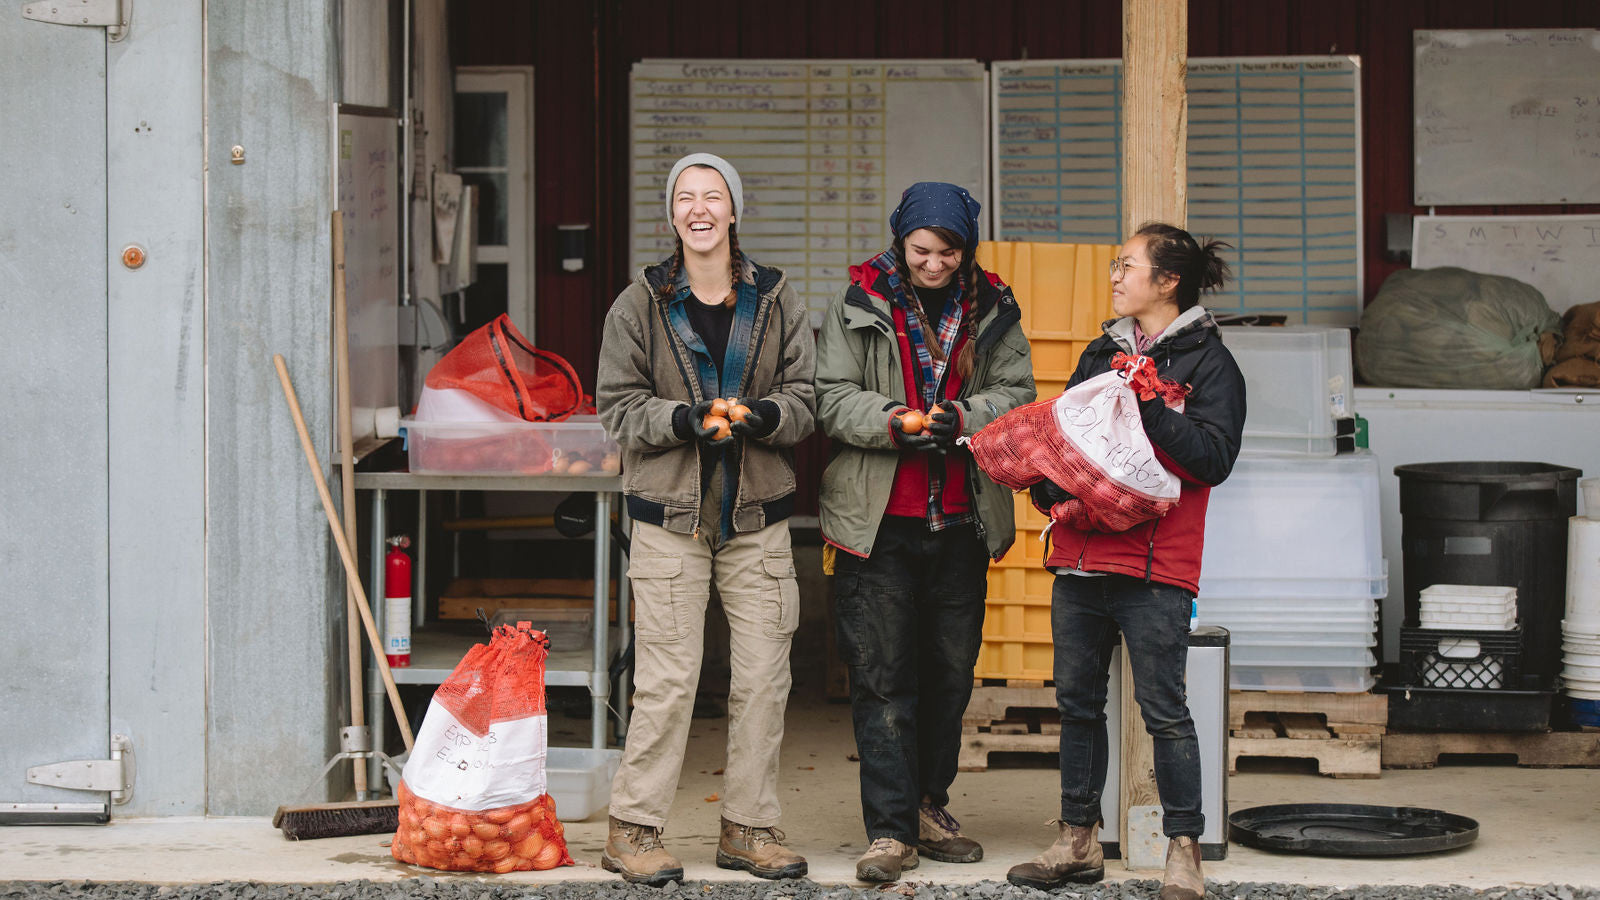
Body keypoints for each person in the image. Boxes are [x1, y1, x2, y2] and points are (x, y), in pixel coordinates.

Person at [1005, 223, 1245, 900]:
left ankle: (1184, 851)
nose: (1114, 276)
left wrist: (1147, 406)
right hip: (1080, 557)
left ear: (1167, 281)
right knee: (1077, 705)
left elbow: (1213, 460)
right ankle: (1078, 839)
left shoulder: (1211, 365)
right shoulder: (1101, 351)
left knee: (1164, 709)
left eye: (1127, 265)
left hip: (1155, 566)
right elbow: (1068, 433)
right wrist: (1047, 488)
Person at [595, 153, 816, 885]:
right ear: (672, 214)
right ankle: (634, 828)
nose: (699, 207)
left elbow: (807, 397)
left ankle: (748, 826)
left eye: (712, 195)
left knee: (762, 678)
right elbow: (617, 407)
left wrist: (767, 415)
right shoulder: (638, 305)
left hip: (756, 518)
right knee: (667, 679)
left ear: (732, 211)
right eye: (685, 197)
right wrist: (687, 419)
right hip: (669, 520)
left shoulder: (777, 298)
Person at [814, 182, 1036, 883]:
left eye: (947, 251)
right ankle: (888, 830)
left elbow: (1019, 393)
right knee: (882, 679)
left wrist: (964, 417)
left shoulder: (995, 308)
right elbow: (830, 396)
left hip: (962, 521)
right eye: (921, 250)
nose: (934, 263)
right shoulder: (857, 303)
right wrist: (892, 420)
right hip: (877, 525)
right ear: (900, 242)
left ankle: (929, 807)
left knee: (948, 675)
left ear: (965, 249)